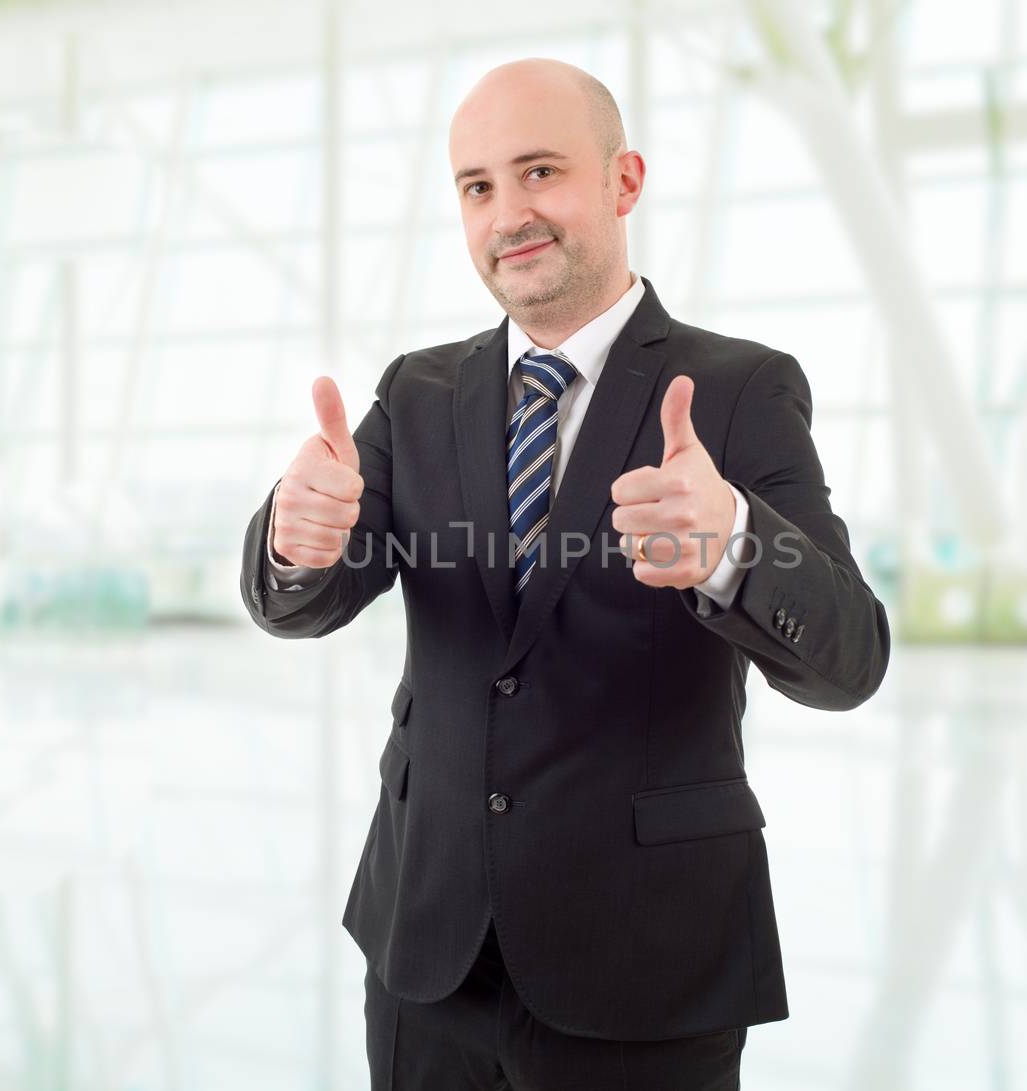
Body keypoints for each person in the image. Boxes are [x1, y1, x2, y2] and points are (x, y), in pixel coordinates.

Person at [239, 56, 890, 1090]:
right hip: (427, 948)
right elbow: (311, 589)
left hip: (644, 964)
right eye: (477, 186)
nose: (508, 213)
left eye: (540, 171)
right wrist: (295, 534)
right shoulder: (417, 393)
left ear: (623, 182)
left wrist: (731, 540)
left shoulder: (736, 391)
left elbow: (850, 656)